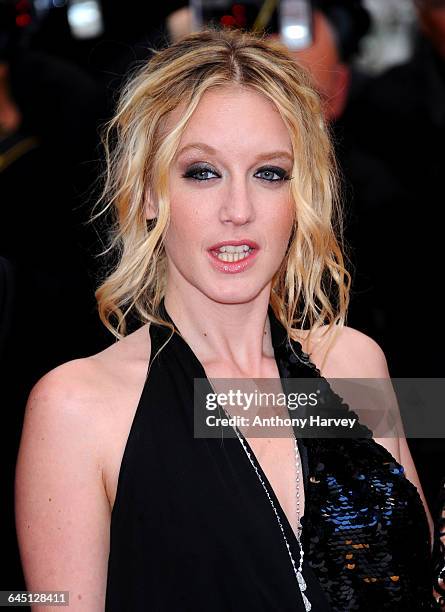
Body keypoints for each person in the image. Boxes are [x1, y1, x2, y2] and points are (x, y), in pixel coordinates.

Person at [15, 27, 438, 611]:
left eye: (269, 173)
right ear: (146, 192)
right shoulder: (77, 408)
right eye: (202, 172)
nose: (237, 211)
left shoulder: (355, 364)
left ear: (302, 194)